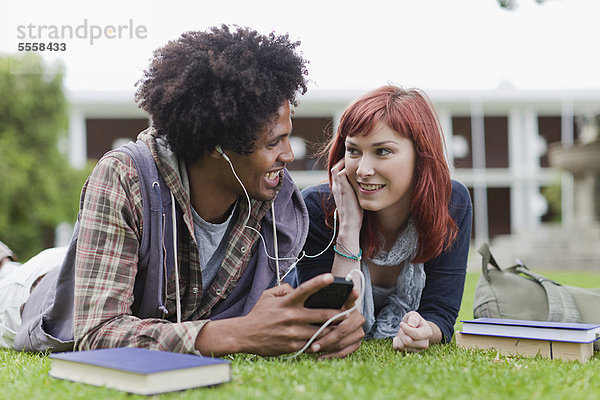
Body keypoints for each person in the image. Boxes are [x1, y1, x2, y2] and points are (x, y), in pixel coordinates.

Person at [13, 25, 364, 358]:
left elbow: (271, 311)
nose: (288, 155)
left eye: (288, 137)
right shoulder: (125, 176)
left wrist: (317, 328)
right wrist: (238, 334)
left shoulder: (272, 194)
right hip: (34, 292)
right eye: (274, 142)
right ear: (218, 146)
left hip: (94, 258)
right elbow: (96, 332)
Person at [297, 85, 472, 353]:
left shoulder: (451, 202)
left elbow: (441, 315)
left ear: (421, 156)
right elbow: (329, 327)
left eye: (382, 151)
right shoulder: (318, 208)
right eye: (353, 151)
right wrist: (348, 229)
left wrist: (424, 330)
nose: (363, 170)